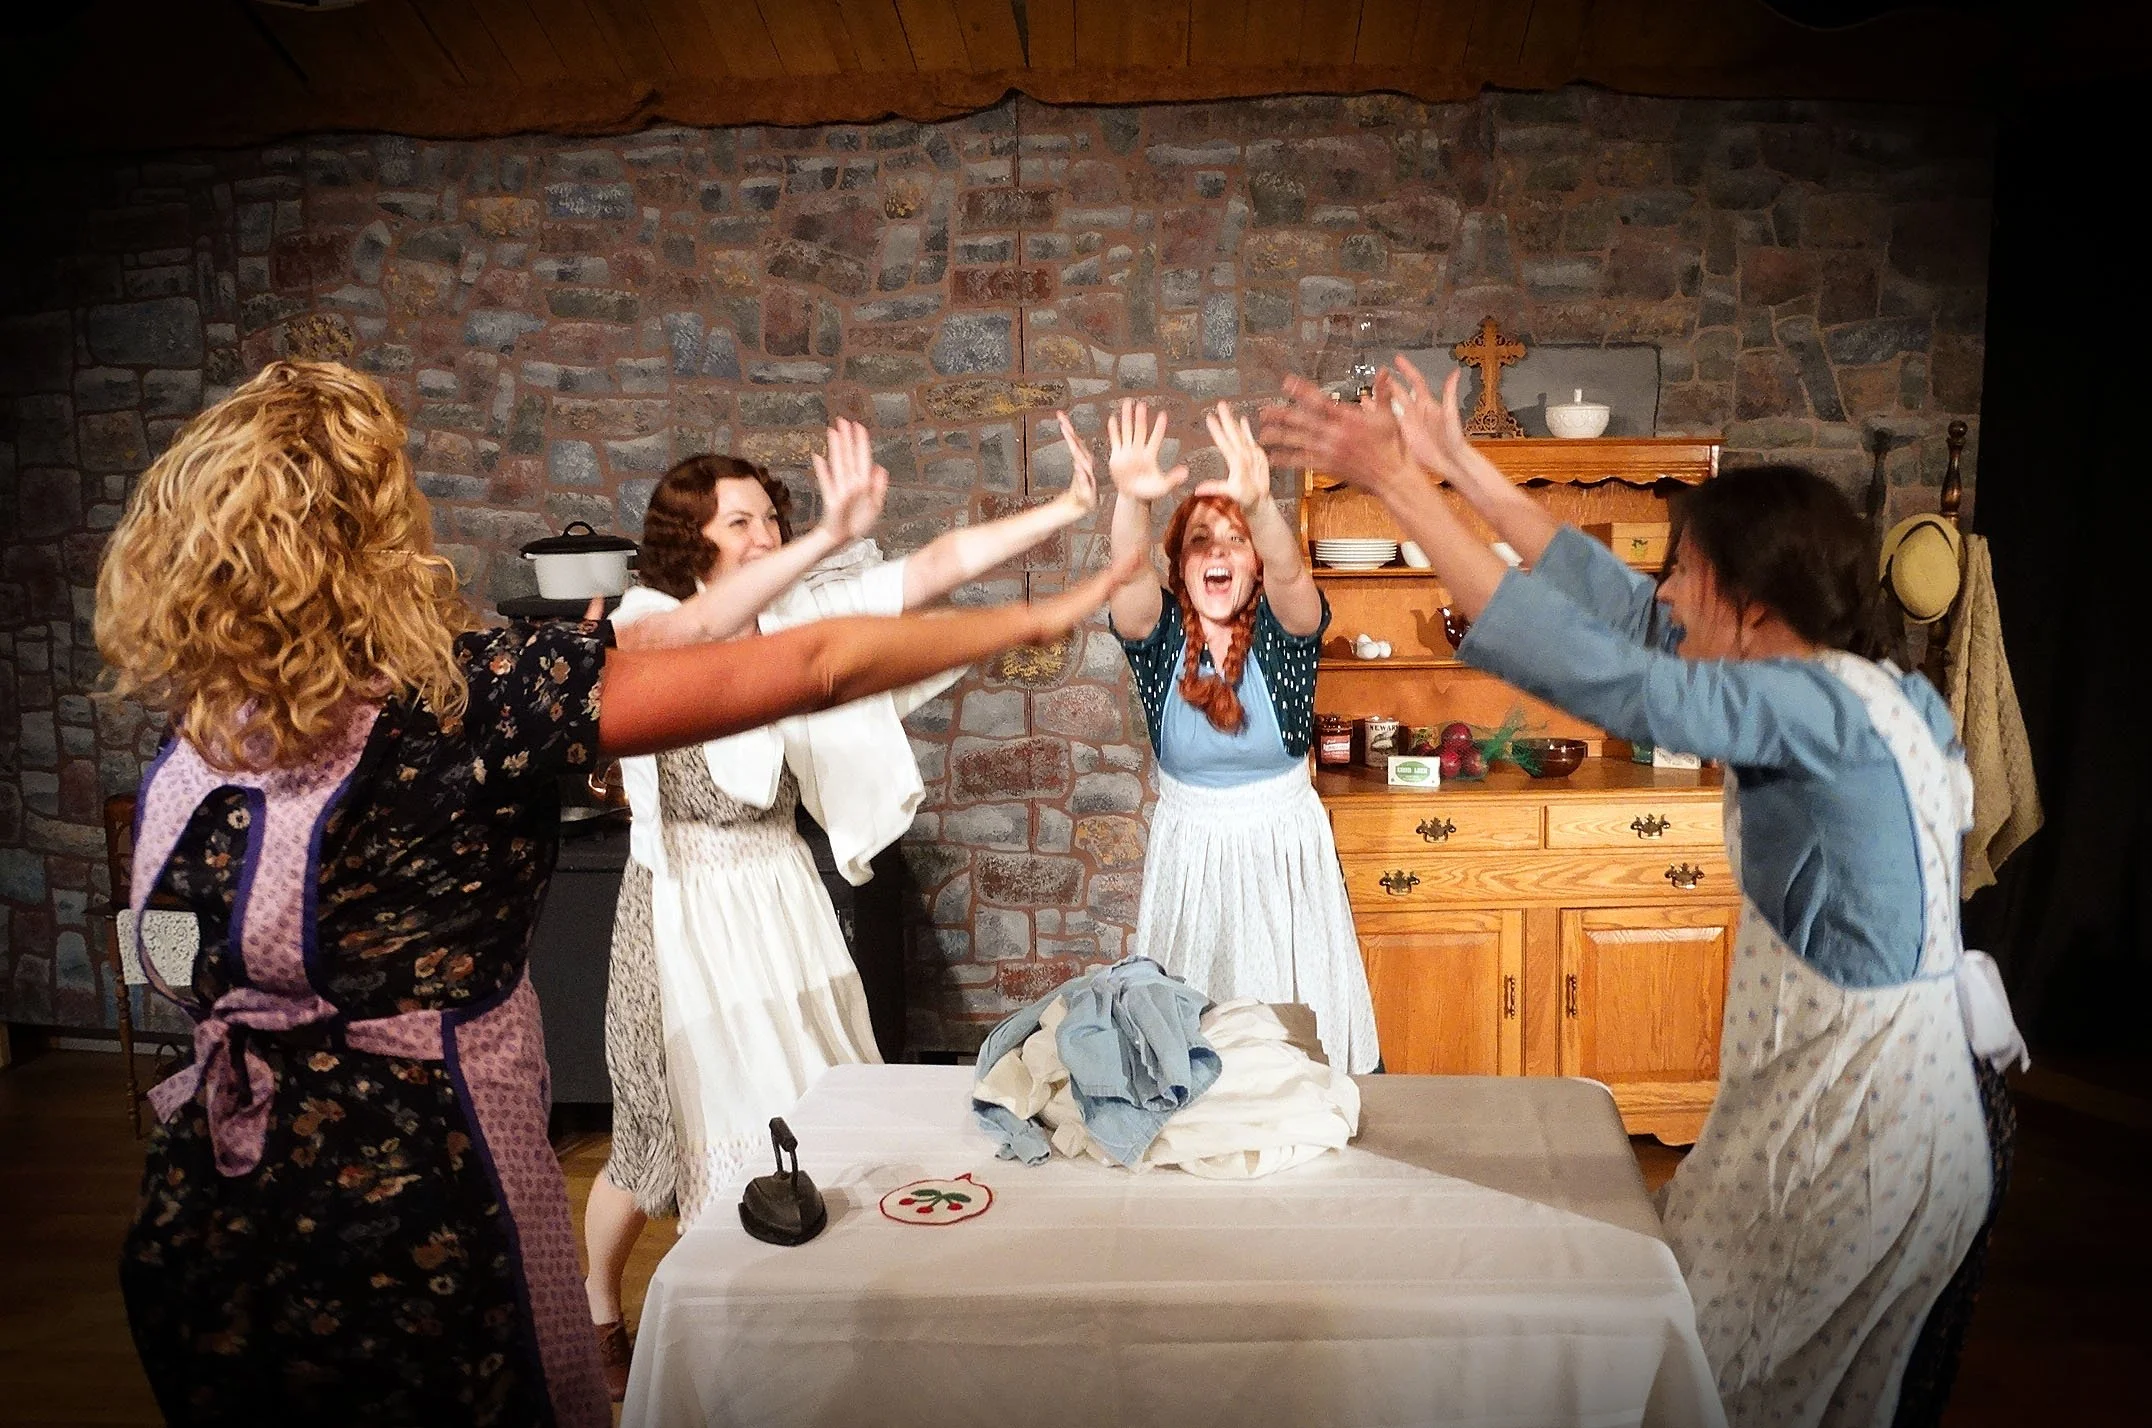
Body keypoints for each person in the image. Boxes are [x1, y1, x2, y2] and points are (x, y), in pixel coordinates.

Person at [93, 360, 1132, 1427]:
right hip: (416, 1215)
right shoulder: (465, 705)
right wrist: (1042, 615)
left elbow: (166, 962)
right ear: (371, 544)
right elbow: (816, 665)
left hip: (208, 1215)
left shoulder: (197, 748)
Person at [1263, 360, 2019, 1428]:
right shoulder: (1849, 682)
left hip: (1868, 1131)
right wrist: (1457, 469)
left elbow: (1608, 677)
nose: (1664, 591)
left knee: (1750, 1383)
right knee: (1699, 1331)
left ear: (1752, 605)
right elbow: (1616, 609)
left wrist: (1397, 492)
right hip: (1836, 1099)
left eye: (1684, 571)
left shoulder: (1817, 712)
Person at [580, 418, 1098, 1391]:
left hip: (777, 899)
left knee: (815, 1103)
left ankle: (794, 1320)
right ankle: (600, 1306)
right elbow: (688, 637)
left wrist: (1067, 509)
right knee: (652, 1140)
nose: (765, 533)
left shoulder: (793, 617)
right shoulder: (650, 612)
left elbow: (934, 565)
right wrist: (824, 536)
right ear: (691, 538)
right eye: (742, 521)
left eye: (773, 517)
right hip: (685, 906)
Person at [1087, 397, 1378, 1073]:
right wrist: (1130, 499)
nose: (1217, 552)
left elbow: (1293, 575)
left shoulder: (1285, 635)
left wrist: (1263, 506)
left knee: (1293, 1042)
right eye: (1199, 542)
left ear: (1251, 564)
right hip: (1191, 855)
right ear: (1180, 569)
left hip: (1283, 852)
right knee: (1195, 1041)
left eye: (1234, 539)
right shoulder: (1158, 639)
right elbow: (1125, 579)